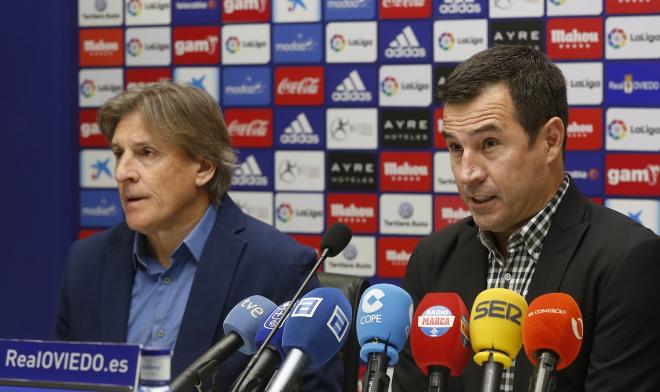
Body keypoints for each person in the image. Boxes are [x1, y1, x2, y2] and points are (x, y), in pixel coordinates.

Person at [392, 45, 660, 391]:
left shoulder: (627, 261)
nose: (466, 174)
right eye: (456, 148)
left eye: (489, 143)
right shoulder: (432, 260)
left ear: (551, 140)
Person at [55, 82, 342, 391]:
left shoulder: (279, 268)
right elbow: (59, 384)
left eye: (146, 153)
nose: (122, 172)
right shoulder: (86, 262)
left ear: (203, 168)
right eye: (118, 153)